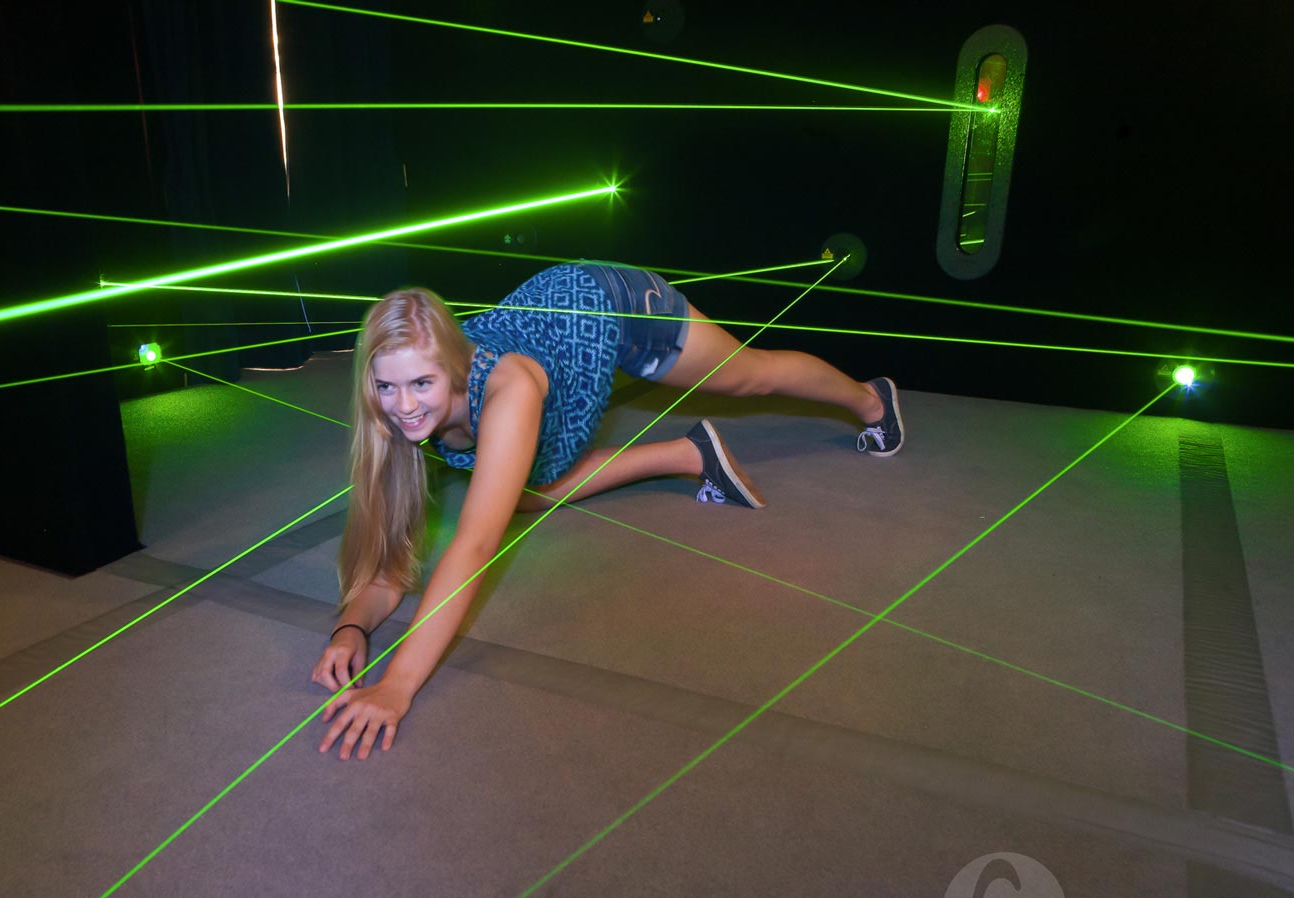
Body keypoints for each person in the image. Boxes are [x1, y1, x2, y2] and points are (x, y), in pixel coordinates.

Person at [311, 261, 903, 760]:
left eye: (420, 384)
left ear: (453, 367)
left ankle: (872, 399)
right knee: (511, 493)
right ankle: (688, 453)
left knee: (749, 376)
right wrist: (351, 626)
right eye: (387, 389)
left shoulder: (506, 390)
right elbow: (386, 560)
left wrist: (398, 685)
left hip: (613, 308)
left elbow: (472, 547)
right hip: (556, 335)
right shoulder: (392, 419)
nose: (405, 406)